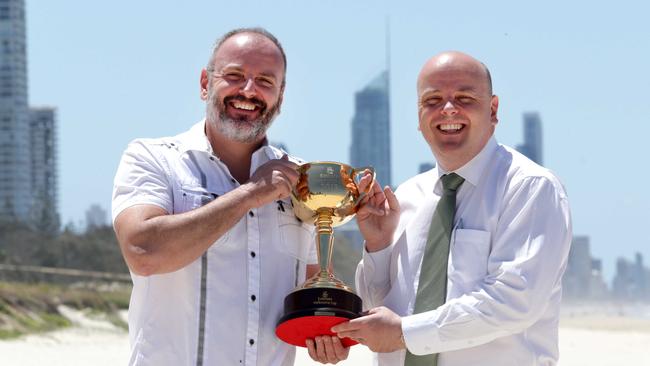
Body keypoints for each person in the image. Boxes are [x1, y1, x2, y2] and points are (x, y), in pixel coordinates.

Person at [112, 28, 347, 366]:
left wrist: (329, 334)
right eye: (235, 75)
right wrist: (250, 194)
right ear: (205, 83)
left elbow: (313, 294)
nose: (249, 91)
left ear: (280, 97)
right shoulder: (153, 158)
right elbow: (143, 251)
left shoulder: (302, 181)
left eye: (266, 82)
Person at [332, 51, 572, 365]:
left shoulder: (529, 187)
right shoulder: (406, 197)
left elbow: (514, 300)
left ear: (493, 109)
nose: (448, 110)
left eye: (464, 97)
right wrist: (378, 247)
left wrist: (405, 333)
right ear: (419, 116)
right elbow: (383, 310)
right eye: (432, 101)